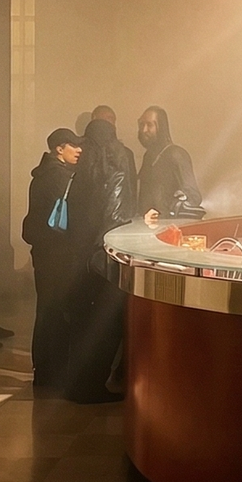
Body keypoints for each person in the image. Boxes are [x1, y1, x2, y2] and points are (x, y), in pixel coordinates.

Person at [64, 113, 137, 402]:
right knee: (107, 324)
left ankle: (77, 384)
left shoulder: (80, 173)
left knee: (82, 323)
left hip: (78, 258)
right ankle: (92, 386)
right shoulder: (115, 171)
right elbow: (115, 218)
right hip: (102, 259)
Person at [23, 127, 83, 387]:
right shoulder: (59, 177)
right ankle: (50, 370)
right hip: (56, 253)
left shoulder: (43, 173)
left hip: (44, 252)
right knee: (54, 309)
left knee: (47, 308)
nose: (79, 150)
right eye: (73, 145)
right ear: (59, 148)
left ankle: (44, 368)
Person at [137, 105, 202, 220]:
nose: (144, 130)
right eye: (141, 124)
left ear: (161, 127)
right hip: (147, 228)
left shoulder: (177, 155)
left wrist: (172, 207)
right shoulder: (148, 156)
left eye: (149, 125)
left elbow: (194, 198)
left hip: (171, 228)